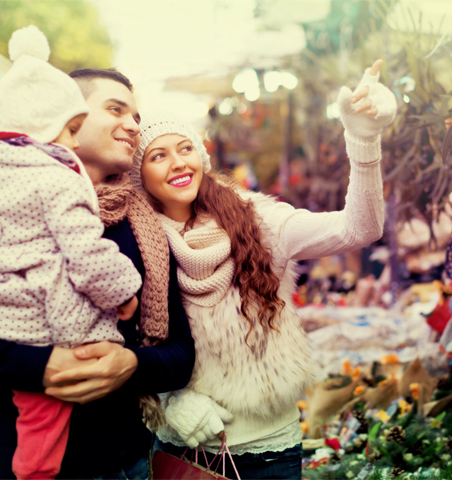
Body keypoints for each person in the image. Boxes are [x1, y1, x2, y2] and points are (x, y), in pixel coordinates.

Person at [0, 63, 195, 480]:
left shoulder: (146, 223)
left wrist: (133, 364)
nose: (133, 125)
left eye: (136, 116)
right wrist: (39, 365)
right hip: (9, 457)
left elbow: (181, 352)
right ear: (67, 117)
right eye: (116, 110)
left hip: (125, 461)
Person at [129, 59, 396, 479]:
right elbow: (124, 343)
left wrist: (364, 140)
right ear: (139, 174)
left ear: (200, 155)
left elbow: (359, 229)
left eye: (184, 149)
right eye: (157, 156)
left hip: (272, 451)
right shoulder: (135, 242)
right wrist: (167, 402)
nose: (177, 163)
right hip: (184, 451)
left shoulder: (259, 221)